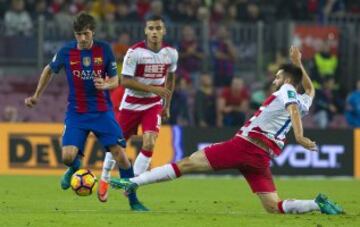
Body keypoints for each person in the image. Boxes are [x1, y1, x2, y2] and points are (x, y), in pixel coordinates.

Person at [110, 46, 344, 215]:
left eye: (277, 76)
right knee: (274, 207)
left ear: (286, 78)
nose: (274, 80)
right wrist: (300, 63)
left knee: (188, 163)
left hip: (245, 145)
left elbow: (292, 108)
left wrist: (300, 136)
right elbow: (311, 90)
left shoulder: (287, 91)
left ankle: (134, 181)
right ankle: (316, 203)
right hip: (261, 157)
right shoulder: (305, 99)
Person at [24, 12, 147, 211]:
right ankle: (73, 168)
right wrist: (37, 95)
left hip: (101, 112)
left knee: (121, 156)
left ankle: (134, 202)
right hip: (77, 112)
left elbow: (117, 80)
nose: (82, 39)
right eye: (78, 34)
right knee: (66, 156)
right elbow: (49, 69)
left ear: (93, 32)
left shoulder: (105, 50)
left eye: (86, 34)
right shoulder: (66, 52)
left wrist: (106, 84)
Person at [102, 14, 178, 194]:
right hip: (131, 105)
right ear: (145, 31)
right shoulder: (135, 52)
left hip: (153, 105)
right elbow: (125, 81)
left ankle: (131, 184)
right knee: (117, 144)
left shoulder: (171, 53)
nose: (154, 32)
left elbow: (171, 79)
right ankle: (104, 177)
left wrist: (166, 105)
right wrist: (154, 89)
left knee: (150, 142)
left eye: (158, 28)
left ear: (164, 31)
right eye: (151, 28)